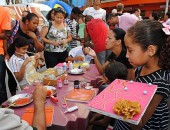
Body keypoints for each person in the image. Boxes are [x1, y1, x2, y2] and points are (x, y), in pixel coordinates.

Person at [114, 20, 170, 130]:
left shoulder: (160, 82)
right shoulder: (142, 67)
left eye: (130, 50)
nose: (126, 55)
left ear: (151, 50)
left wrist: (124, 108)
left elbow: (139, 124)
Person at [87, 61, 128, 130]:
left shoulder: (113, 94)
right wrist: (100, 114)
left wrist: (89, 122)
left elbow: (104, 122)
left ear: (107, 79)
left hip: (114, 124)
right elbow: (109, 111)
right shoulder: (124, 87)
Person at [0, 6, 11, 104]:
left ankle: (4, 113)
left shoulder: (3, 11)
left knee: (0, 87)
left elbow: (4, 35)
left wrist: (6, 53)